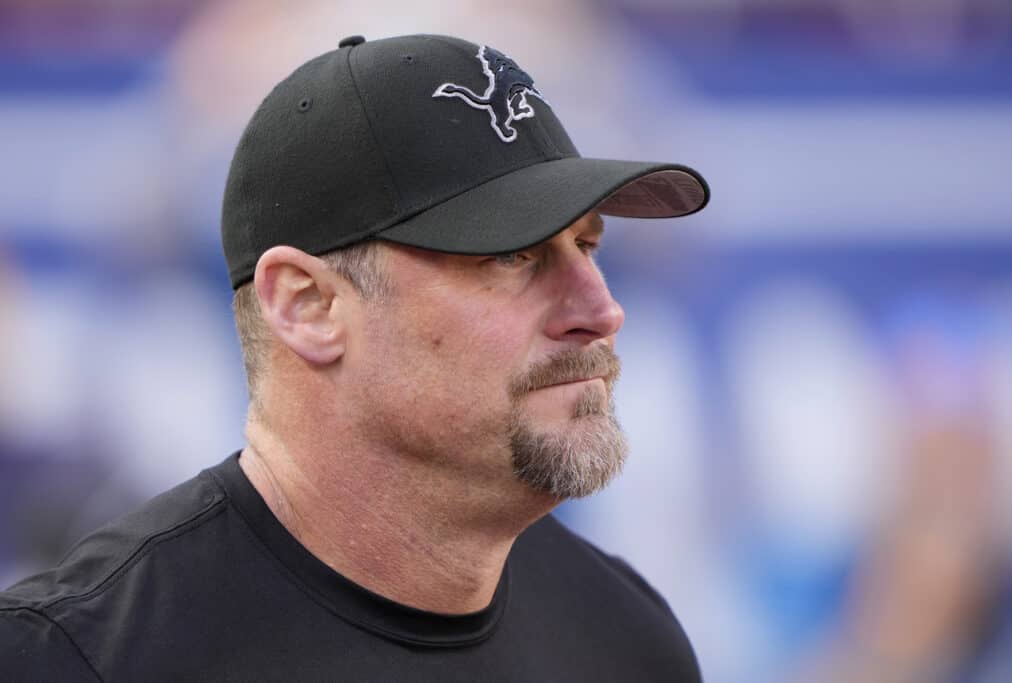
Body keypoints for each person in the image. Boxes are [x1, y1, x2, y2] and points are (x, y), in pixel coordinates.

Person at [0, 33, 709, 681]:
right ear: (308, 305)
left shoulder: (626, 638)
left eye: (586, 246)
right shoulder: (72, 657)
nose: (602, 310)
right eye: (511, 252)